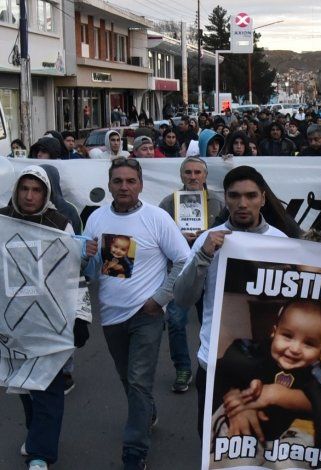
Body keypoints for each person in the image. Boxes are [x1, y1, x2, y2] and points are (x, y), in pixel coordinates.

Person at [82, 158, 191, 469]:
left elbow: (184, 259)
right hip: (111, 315)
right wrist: (85, 257)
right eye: (118, 181)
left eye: (131, 181)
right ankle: (147, 413)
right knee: (127, 378)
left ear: (141, 185)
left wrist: (160, 298)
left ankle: (134, 451)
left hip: (147, 315)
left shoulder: (156, 218)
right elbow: (91, 272)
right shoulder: (97, 219)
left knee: (139, 380)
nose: (124, 187)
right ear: (109, 185)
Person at [173, 166, 292, 438]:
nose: (242, 203)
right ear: (225, 198)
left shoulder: (281, 242)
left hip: (265, 366)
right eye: (235, 196)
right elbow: (182, 298)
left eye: (251, 195)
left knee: (261, 445)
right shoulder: (207, 240)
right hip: (216, 364)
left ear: (263, 198)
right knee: (214, 444)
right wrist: (204, 256)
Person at [1, 166, 94, 470]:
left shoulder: (59, 224)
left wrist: (81, 316)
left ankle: (40, 455)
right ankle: (36, 435)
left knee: (48, 388)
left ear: (46, 193)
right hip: (13, 323)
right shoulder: (2, 221)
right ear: (16, 190)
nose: (29, 196)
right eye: (24, 189)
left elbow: (72, 275)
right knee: (25, 386)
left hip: (51, 321)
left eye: (36, 190)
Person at [211, 300, 321, 446]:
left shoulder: (316, 372)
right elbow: (231, 359)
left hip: (274, 437)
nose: (295, 349)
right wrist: (241, 388)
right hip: (233, 419)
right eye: (287, 336)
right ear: (274, 332)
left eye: (309, 343)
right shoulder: (259, 351)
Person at [158, 157, 226, 392]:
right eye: (188, 172)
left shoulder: (218, 203)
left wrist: (206, 237)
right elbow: (159, 237)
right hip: (181, 272)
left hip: (210, 272)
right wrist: (178, 237)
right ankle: (183, 368)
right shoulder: (168, 203)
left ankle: (207, 365)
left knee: (212, 322)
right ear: (181, 176)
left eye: (198, 172)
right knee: (176, 321)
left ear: (205, 176)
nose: (193, 177)